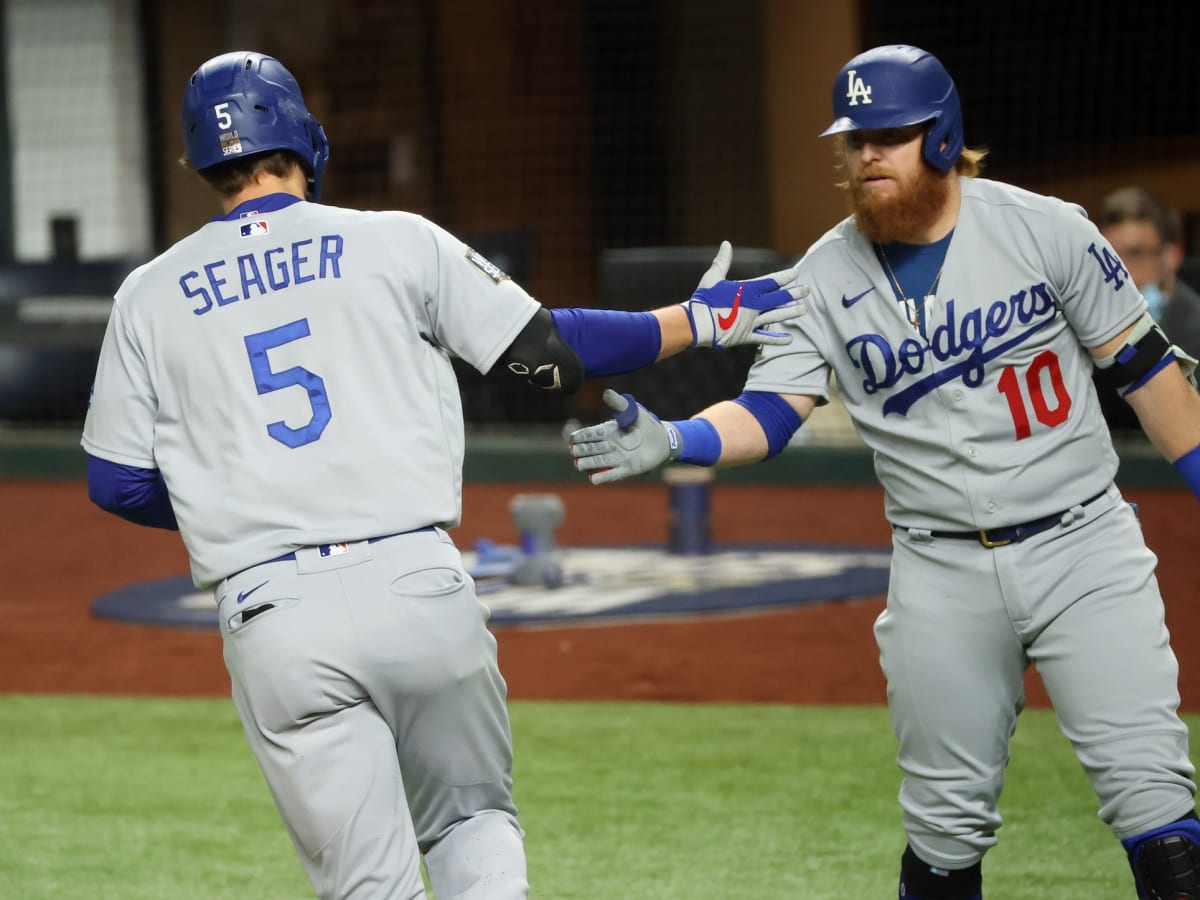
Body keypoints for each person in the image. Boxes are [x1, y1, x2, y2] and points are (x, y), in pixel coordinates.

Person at [80, 51, 804, 900]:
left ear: (198, 160)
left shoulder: (146, 295)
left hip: (272, 612)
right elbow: (546, 354)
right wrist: (698, 320)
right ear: (305, 140)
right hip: (414, 582)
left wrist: (237, 500)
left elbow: (115, 481)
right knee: (471, 825)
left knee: (367, 888)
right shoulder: (394, 240)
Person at [569, 44, 1200, 899]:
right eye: (856, 138)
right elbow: (772, 412)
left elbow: (1151, 382)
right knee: (944, 833)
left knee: (1157, 807)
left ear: (942, 138)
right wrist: (680, 441)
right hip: (942, 571)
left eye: (891, 135)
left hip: (1082, 546)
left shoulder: (1047, 230)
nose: (868, 153)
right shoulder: (821, 277)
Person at [1095, 186, 1200, 436]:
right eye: (1110, 258)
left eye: (1136, 254)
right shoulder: (1087, 335)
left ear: (1172, 255)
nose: (1120, 273)